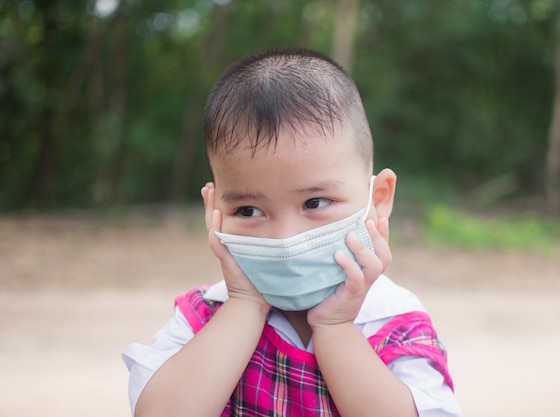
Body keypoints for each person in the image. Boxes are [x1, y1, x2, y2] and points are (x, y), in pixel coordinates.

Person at [122, 47, 462, 417]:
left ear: (377, 199)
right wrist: (244, 304)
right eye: (248, 210)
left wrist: (334, 327)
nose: (284, 239)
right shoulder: (204, 318)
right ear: (215, 212)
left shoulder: (395, 324)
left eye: (315, 203)